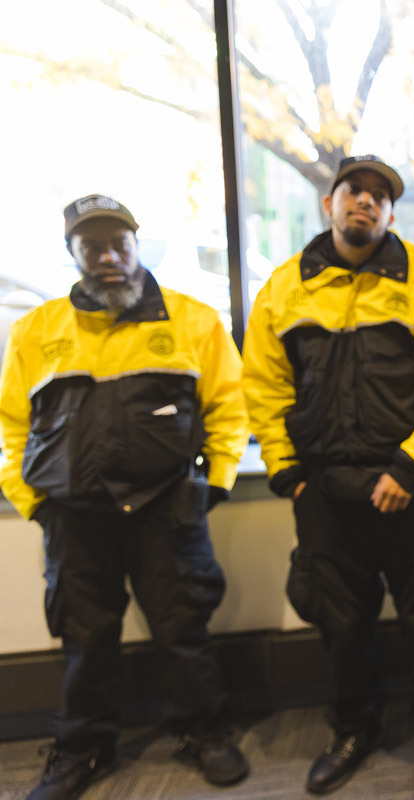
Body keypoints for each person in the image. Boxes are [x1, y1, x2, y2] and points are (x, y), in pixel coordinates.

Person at [0, 195, 250, 800]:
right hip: (75, 513)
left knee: (181, 628)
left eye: (120, 243)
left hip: (167, 509)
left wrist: (213, 484)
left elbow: (229, 409)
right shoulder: (36, 331)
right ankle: (83, 747)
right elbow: (10, 425)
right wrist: (32, 501)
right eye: (93, 246)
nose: (109, 256)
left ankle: (205, 731)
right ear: (74, 254)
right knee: (85, 637)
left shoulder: (193, 320)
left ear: (138, 245)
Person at [242, 155, 414, 798]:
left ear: (391, 213)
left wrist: (411, 466)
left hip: (410, 489)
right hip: (323, 490)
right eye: (354, 191)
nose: (365, 202)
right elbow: (262, 386)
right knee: (341, 625)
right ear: (330, 203)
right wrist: (286, 470)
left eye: (379, 196)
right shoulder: (285, 286)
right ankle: (353, 729)